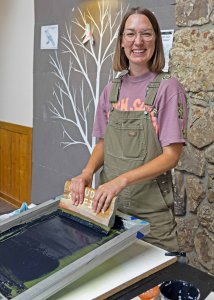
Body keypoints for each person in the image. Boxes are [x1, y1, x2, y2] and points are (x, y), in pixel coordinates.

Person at [70, 7, 187, 251]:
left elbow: (171, 156)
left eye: (146, 34)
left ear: (156, 40)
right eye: (131, 34)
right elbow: (103, 143)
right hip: (109, 211)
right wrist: (86, 173)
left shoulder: (168, 88)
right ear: (122, 41)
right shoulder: (111, 90)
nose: (138, 41)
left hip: (152, 219)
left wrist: (121, 181)